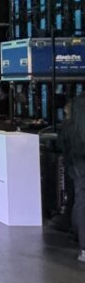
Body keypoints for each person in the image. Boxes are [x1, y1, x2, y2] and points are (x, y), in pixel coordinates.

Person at [58, 94, 85, 263]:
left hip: (76, 163)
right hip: (80, 162)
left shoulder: (76, 109)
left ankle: (81, 242)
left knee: (80, 200)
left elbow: (62, 143)